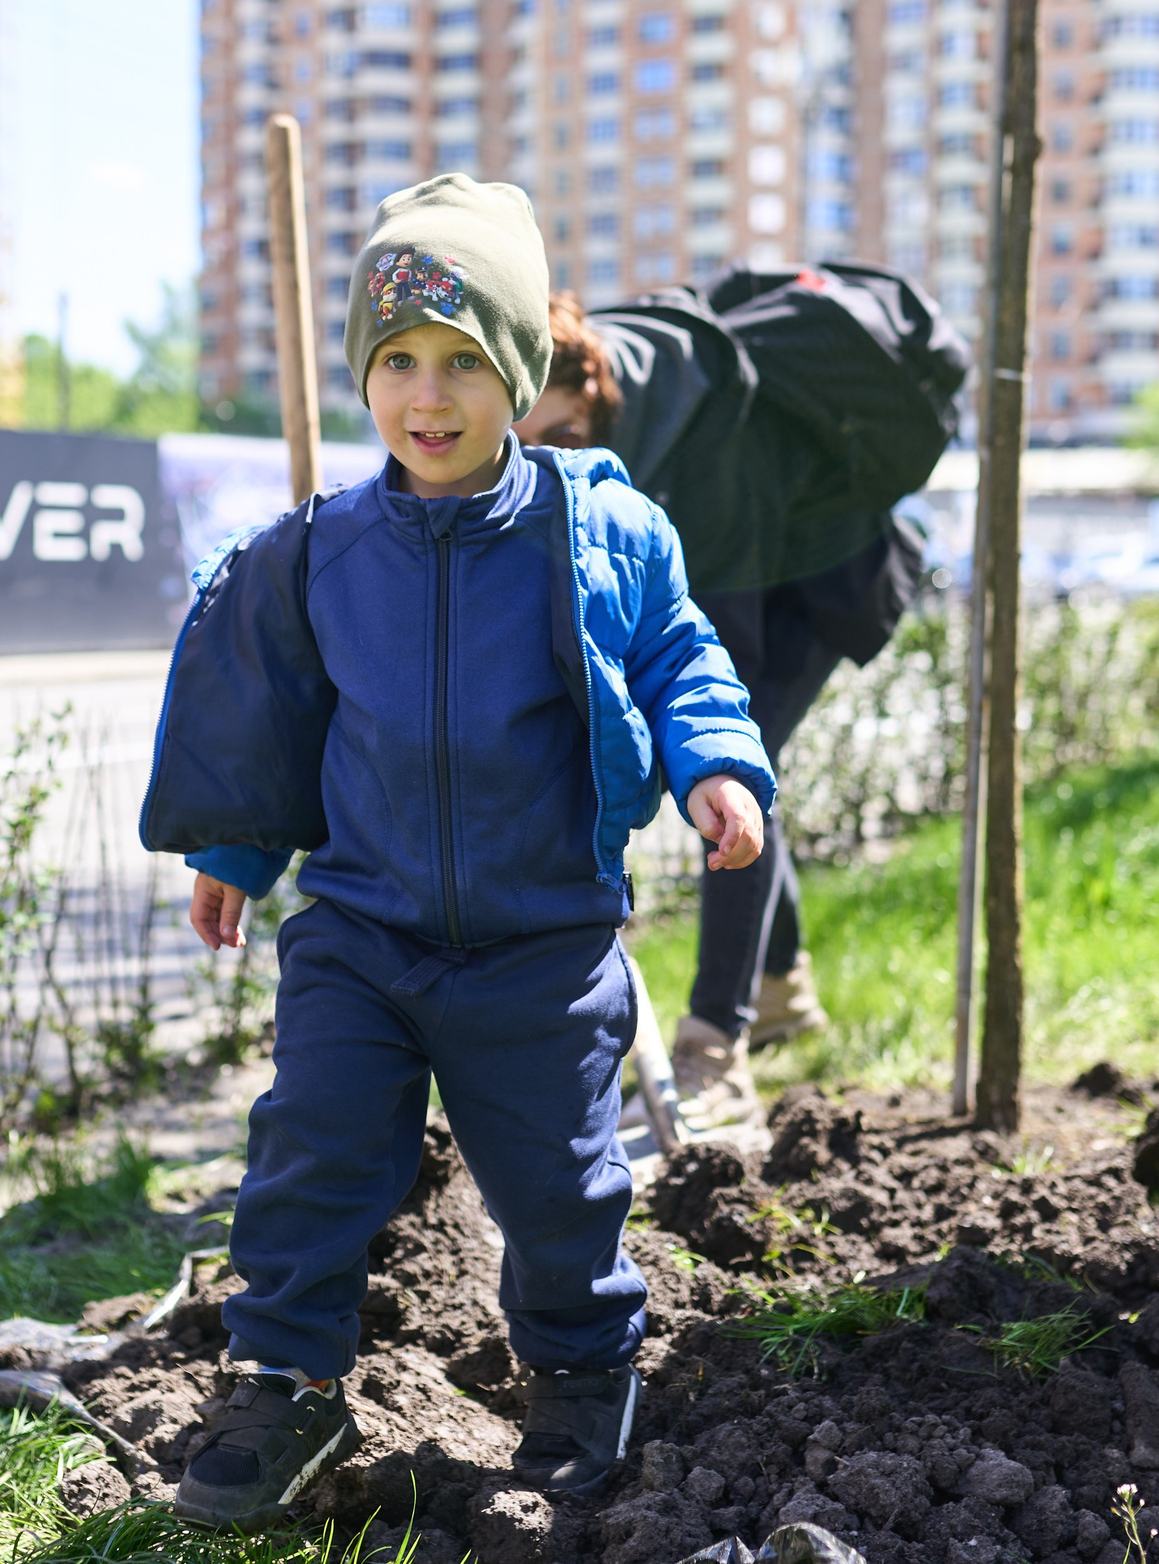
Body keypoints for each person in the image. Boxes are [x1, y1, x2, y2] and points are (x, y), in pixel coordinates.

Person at [140, 175, 773, 1530]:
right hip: (361, 932)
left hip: (540, 944)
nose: (429, 396)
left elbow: (679, 656)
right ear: (366, 380)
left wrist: (712, 763)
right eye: (399, 363)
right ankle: (284, 1383)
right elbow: (280, 720)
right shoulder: (322, 552)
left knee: (559, 1187)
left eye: (465, 363)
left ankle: (581, 1370)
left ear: (523, 371)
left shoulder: (598, 529)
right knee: (307, 1145)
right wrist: (238, 854)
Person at [519, 292, 923, 1129]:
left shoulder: (700, 428)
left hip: (822, 583)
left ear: (593, 395)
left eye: (558, 438)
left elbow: (707, 657)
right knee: (737, 776)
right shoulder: (604, 409)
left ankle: (716, 1045)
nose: (540, 462)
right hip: (759, 571)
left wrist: (696, 752)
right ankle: (783, 991)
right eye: (520, 445)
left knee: (732, 768)